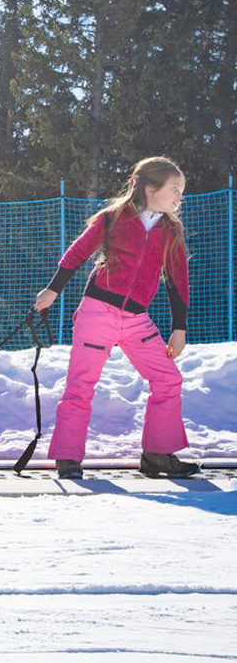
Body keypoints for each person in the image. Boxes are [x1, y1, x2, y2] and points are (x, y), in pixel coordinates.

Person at [33, 156, 198, 480]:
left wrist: (179, 329)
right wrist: (52, 291)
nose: (180, 196)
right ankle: (68, 459)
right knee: (80, 386)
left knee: (168, 379)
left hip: (137, 320)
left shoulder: (171, 231)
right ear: (151, 187)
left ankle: (157, 455)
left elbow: (178, 280)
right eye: (174, 188)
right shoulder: (112, 219)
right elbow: (78, 252)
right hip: (97, 313)